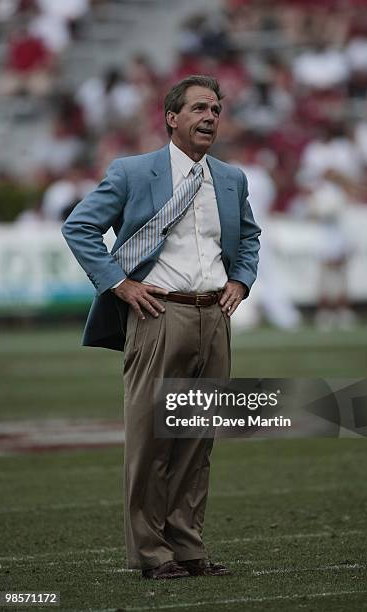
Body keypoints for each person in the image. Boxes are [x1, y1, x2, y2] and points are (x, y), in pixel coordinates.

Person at [62, 75, 260, 580]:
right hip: (157, 314)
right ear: (172, 117)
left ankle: (188, 548)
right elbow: (79, 226)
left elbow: (250, 235)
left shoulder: (232, 177)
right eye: (198, 108)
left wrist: (241, 280)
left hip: (214, 316)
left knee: (198, 440)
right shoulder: (133, 171)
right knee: (152, 439)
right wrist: (119, 285)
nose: (210, 117)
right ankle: (151, 553)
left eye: (215, 109)